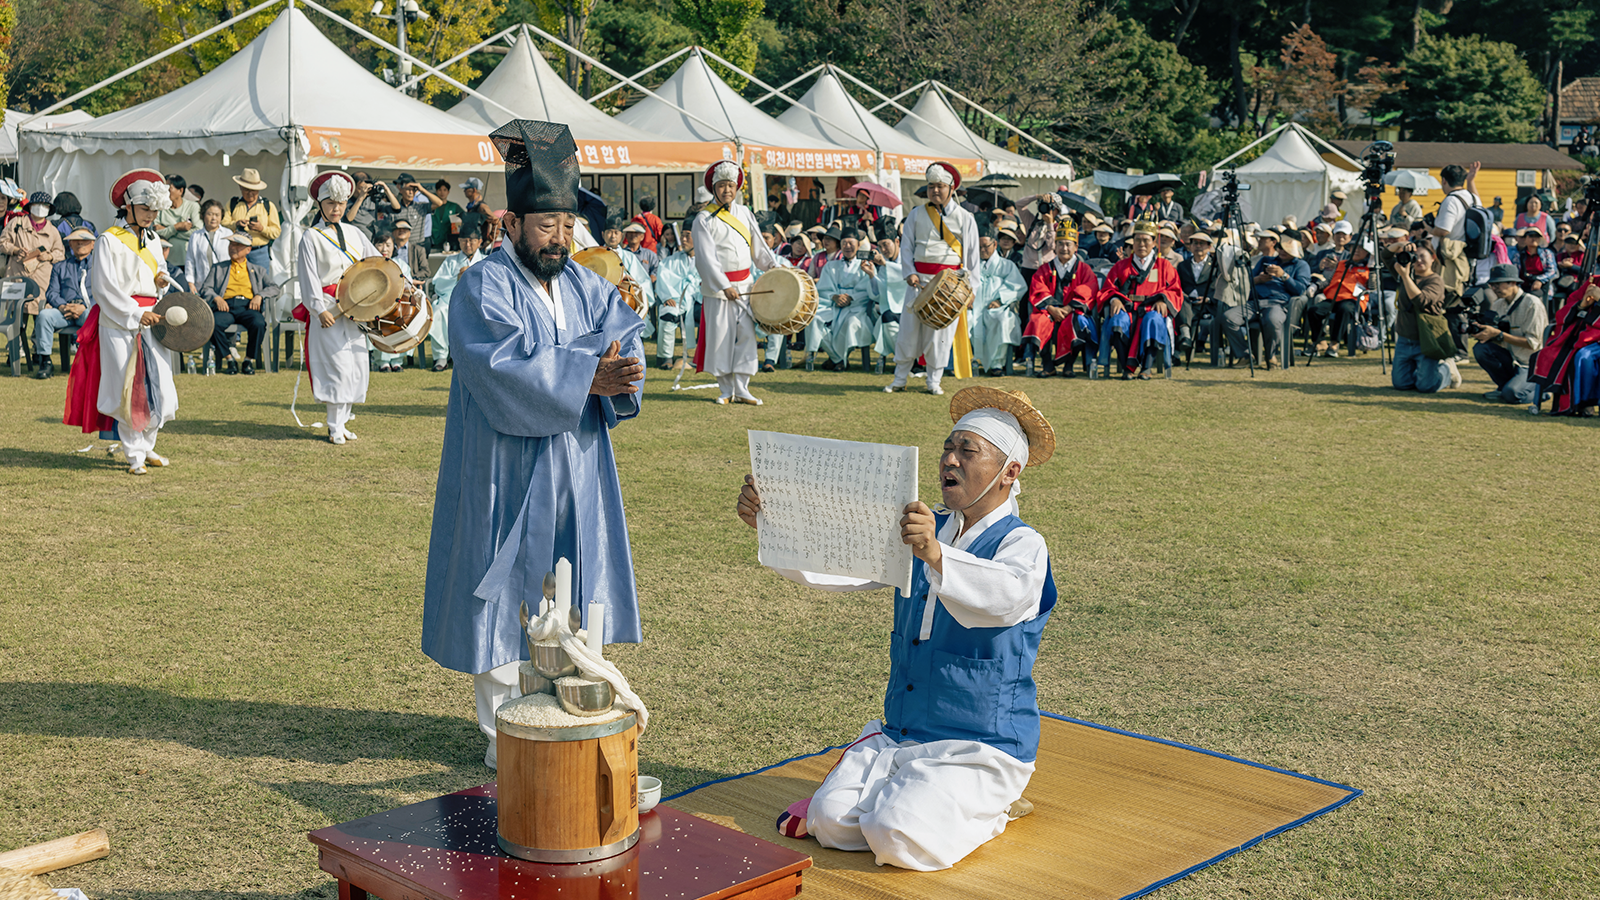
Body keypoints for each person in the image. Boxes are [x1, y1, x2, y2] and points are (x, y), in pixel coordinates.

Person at [738, 385, 1057, 872]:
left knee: (897, 837)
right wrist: (771, 523)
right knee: (830, 822)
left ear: (1009, 472)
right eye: (948, 448)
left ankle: (992, 810)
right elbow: (840, 563)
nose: (949, 460)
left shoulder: (1022, 544)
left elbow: (1007, 597)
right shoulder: (926, 529)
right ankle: (904, 791)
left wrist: (934, 553)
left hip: (980, 745)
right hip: (901, 735)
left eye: (967, 451)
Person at [423, 119, 647, 770]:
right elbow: (495, 364)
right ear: (512, 224)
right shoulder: (481, 285)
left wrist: (621, 368)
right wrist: (585, 375)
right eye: (545, 225)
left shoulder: (587, 283)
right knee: (504, 585)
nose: (558, 237)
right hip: (504, 462)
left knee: (573, 577)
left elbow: (620, 337)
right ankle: (505, 731)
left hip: (575, 459)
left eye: (567, 225)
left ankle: (576, 698)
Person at [62, 169, 178, 474]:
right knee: (130, 388)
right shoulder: (108, 241)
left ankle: (149, 445)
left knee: (161, 386)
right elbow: (103, 288)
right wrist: (136, 313)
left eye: (154, 210)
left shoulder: (153, 239)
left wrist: (161, 281)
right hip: (121, 321)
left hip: (153, 319)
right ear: (128, 207)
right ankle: (134, 454)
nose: (150, 215)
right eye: (144, 209)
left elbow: (160, 272)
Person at [295, 171, 381, 444]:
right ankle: (333, 425)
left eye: (341, 203)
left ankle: (342, 423)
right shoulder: (311, 236)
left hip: (357, 307)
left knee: (356, 364)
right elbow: (307, 275)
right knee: (337, 367)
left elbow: (375, 262)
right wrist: (318, 308)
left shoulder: (356, 232)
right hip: (330, 307)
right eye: (331, 203)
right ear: (321, 205)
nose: (337, 208)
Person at [885, 162, 978, 395]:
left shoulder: (965, 217)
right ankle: (899, 379)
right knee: (908, 332)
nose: (935, 190)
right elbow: (906, 247)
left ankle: (933, 381)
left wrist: (971, 288)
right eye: (931, 186)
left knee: (940, 336)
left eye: (940, 186)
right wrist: (909, 272)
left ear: (951, 187)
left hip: (949, 285)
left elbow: (972, 256)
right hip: (918, 282)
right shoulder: (915, 214)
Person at [692, 160, 779, 405]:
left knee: (746, 337)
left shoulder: (745, 213)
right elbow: (706, 258)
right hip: (719, 289)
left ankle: (742, 388)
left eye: (730, 185)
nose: (727, 190)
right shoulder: (703, 219)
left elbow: (759, 247)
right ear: (714, 188)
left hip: (746, 286)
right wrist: (723, 285)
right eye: (722, 185)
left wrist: (772, 268)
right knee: (721, 337)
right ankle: (725, 389)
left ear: (736, 187)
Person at [1094, 220, 1183, 378]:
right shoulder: (1121, 266)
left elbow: (1175, 290)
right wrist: (1114, 298)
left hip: (1151, 309)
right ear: (1132, 242)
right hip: (1127, 308)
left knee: (1153, 319)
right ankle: (1126, 367)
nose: (1141, 244)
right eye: (1137, 240)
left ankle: (1146, 368)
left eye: (1146, 240)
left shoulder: (1164, 266)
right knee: (1117, 321)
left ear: (1154, 242)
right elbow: (1108, 288)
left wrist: (1163, 300)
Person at [1021, 221, 1095, 377]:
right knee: (1038, 321)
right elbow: (1038, 288)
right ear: (1055, 246)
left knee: (1077, 322)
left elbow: (1089, 290)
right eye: (1060, 244)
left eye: (1068, 244)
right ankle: (1048, 365)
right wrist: (1051, 308)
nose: (1064, 248)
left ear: (1076, 246)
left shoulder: (1084, 269)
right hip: (1049, 310)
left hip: (1073, 311)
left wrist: (1068, 308)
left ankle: (1069, 365)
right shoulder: (1045, 268)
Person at [197, 232, 275, 374]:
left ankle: (248, 360)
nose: (233, 248)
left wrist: (260, 296)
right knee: (213, 323)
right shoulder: (218, 268)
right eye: (231, 244)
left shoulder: (258, 270)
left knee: (258, 323)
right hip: (225, 306)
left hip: (248, 306)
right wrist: (216, 298)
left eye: (238, 245)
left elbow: (274, 288)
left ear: (248, 250)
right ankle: (229, 359)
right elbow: (205, 288)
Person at [1470, 263, 1548, 404]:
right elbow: (1499, 338)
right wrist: (1484, 333)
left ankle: (1542, 391)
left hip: (1531, 363)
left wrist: (1498, 334)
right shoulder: (1498, 304)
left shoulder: (1532, 304)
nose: (1494, 288)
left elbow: (1533, 344)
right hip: (1512, 358)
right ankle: (1504, 386)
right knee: (1481, 349)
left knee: (1512, 395)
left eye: (1498, 284)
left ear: (1512, 282)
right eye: (1492, 285)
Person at [1176, 229, 1252, 365]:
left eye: (1202, 243)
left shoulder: (1217, 265)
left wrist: (1208, 298)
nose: (1198, 246)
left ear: (1209, 247)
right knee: (1180, 306)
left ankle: (1185, 337)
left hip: (1210, 304)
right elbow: (1179, 285)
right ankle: (1182, 342)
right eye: (1195, 243)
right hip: (1188, 304)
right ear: (1190, 246)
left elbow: (1222, 287)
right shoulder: (1182, 265)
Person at [31, 226, 97, 379]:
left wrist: (85, 307)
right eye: (76, 241)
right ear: (70, 244)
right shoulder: (60, 267)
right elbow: (51, 292)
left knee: (89, 316)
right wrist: (62, 306)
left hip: (88, 309)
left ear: (93, 244)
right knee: (44, 316)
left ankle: (88, 362)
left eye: (84, 241)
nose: (80, 244)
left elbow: (105, 291)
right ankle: (45, 362)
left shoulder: (100, 266)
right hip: (64, 311)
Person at [1530, 273, 1600, 414]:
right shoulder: (1595, 280)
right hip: (1586, 335)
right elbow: (1570, 304)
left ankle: (1587, 402)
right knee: (1570, 354)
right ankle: (1581, 404)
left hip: (1594, 337)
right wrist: (1581, 306)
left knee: (1583, 356)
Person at [814, 227, 881, 371]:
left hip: (857, 307)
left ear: (858, 245)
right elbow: (823, 289)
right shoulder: (831, 266)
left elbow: (869, 291)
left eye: (851, 243)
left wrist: (851, 297)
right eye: (844, 243)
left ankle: (837, 359)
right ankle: (838, 359)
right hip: (833, 305)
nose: (847, 246)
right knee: (814, 320)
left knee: (851, 323)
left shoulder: (866, 265)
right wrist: (834, 297)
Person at [966, 227, 1027, 377]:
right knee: (965, 321)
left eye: (985, 246)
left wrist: (1000, 300)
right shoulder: (970, 266)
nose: (982, 250)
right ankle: (967, 361)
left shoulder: (1007, 265)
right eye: (979, 247)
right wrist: (967, 299)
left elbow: (1018, 286)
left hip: (995, 307)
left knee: (1002, 320)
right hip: (973, 308)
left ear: (994, 244)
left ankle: (996, 363)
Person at [428, 222, 487, 373]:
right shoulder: (450, 261)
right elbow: (438, 285)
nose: (468, 244)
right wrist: (457, 277)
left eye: (472, 240)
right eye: (464, 240)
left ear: (479, 242)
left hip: (478, 300)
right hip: (451, 298)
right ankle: (441, 357)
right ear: (459, 241)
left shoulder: (486, 260)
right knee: (439, 309)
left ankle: (476, 357)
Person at [1390, 242, 1450, 393]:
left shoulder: (1435, 281)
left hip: (1426, 339)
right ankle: (1423, 372)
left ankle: (1446, 370)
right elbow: (1385, 255)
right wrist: (1400, 245)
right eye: (1415, 257)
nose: (1418, 260)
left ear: (1433, 259)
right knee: (1401, 385)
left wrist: (1405, 276)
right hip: (1404, 339)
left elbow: (1420, 300)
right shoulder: (1405, 274)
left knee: (1426, 387)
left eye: (1423, 256)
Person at [1250, 234, 1311, 370]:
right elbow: (1247, 281)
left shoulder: (1301, 265)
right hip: (1255, 301)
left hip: (1278, 304)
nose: (1282, 251)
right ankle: (1246, 356)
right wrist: (1258, 279)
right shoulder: (1265, 260)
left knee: (1272, 320)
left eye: (1286, 248)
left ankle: (1270, 355)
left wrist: (1284, 276)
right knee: (1227, 318)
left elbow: (1300, 290)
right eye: (1280, 247)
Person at [1309, 241, 1371, 356]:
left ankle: (1334, 343)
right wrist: (1316, 286)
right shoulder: (1342, 263)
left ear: (1367, 251)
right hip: (1333, 297)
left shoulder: (1369, 267)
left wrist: (1372, 271)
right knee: (1314, 311)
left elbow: (1373, 287)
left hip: (1353, 299)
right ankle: (1321, 341)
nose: (1356, 250)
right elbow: (1329, 280)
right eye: (1353, 248)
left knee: (1345, 309)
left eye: (1360, 248)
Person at [654, 224, 701, 369]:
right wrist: (666, 296)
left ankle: (705, 356)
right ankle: (666, 357)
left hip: (699, 301)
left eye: (688, 235)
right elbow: (662, 278)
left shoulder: (707, 259)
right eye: (682, 235)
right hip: (677, 300)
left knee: (713, 314)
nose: (683, 239)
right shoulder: (671, 260)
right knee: (668, 313)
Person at [3, 191, 66, 293]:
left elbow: (60, 254)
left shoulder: (53, 231)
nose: (41, 207)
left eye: (45, 205)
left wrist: (49, 256)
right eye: (37, 204)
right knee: (13, 307)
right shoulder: (16, 223)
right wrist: (16, 250)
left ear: (49, 209)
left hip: (42, 279)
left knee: (39, 307)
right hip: (16, 275)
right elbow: (2, 243)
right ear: (30, 206)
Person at [222, 168, 281, 268]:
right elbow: (222, 224)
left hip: (259, 252)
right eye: (246, 189)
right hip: (237, 251)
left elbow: (276, 232)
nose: (250, 193)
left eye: (254, 190)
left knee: (259, 282)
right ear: (240, 187)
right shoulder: (233, 204)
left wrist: (261, 229)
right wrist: (236, 224)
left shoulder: (268, 206)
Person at [155, 174, 201, 285]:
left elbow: (197, 232)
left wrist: (168, 231)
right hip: (166, 261)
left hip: (187, 260)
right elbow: (156, 233)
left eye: (169, 189)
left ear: (180, 191)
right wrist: (177, 227)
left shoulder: (192, 206)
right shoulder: (161, 208)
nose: (165, 192)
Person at [185, 199, 233, 292]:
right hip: (202, 285)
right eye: (210, 214)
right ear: (203, 215)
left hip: (224, 285)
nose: (213, 218)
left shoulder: (228, 234)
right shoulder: (196, 236)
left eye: (217, 215)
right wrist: (190, 283)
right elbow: (190, 261)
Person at [1511, 227, 1557, 308]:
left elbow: (1552, 271)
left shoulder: (1546, 253)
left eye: (1536, 236)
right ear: (1525, 239)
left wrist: (1539, 280)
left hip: (1541, 286)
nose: (1534, 239)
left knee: (1534, 299)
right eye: (1531, 236)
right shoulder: (1518, 255)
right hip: (1522, 285)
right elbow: (1515, 272)